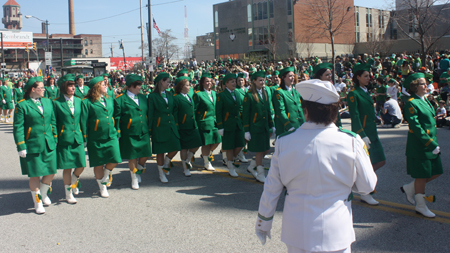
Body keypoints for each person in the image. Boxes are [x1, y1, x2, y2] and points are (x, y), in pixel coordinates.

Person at [255, 79, 377, 252]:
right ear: (335, 111)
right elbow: (368, 186)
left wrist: (264, 221)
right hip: (336, 230)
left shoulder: (285, 142)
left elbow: (272, 187)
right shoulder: (350, 141)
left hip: (297, 230)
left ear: (305, 111)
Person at [13, 77, 57, 214]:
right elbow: (18, 127)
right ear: (33, 89)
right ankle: (38, 202)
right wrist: (21, 146)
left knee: (51, 172)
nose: (44, 90)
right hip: (32, 144)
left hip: (48, 143)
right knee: (35, 175)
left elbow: (53, 121)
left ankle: (43, 194)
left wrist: (55, 137)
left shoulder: (48, 102)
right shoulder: (22, 105)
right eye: (41, 88)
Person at [400, 73, 442, 218]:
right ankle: (420, 205)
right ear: (415, 87)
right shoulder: (412, 102)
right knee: (421, 175)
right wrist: (430, 144)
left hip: (430, 144)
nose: (426, 86)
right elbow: (416, 127)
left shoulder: (425, 100)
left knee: (436, 171)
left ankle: (410, 188)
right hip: (420, 146)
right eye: (423, 84)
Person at [347, 63, 386, 205]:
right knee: (368, 164)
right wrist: (361, 134)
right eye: (365, 76)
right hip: (363, 134)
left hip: (372, 132)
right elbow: (355, 116)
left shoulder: (365, 91)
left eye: (369, 75)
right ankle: (366, 192)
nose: (369, 78)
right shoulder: (353, 93)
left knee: (380, 160)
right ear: (357, 77)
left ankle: (357, 182)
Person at [81, 76, 122, 198]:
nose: (106, 86)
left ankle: (107, 173)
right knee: (98, 163)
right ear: (96, 87)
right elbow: (83, 121)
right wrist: (84, 138)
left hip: (111, 135)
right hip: (95, 136)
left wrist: (117, 130)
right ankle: (102, 186)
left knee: (115, 159)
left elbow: (115, 114)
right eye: (103, 84)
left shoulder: (109, 99)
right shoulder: (87, 102)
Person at [114, 74, 151, 190]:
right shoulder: (120, 99)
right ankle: (134, 178)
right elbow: (117, 117)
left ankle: (139, 168)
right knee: (132, 157)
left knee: (145, 154)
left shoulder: (143, 98)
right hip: (129, 132)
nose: (141, 87)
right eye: (138, 85)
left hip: (143, 130)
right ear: (131, 86)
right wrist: (118, 133)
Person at [53, 74, 86, 203]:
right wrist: (55, 138)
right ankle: (68, 194)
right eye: (70, 85)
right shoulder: (56, 103)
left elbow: (82, 120)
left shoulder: (79, 101)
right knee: (68, 167)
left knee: (81, 165)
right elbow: (54, 122)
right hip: (64, 139)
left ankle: (74, 180)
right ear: (63, 87)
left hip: (77, 138)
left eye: (74, 85)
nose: (73, 87)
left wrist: (85, 136)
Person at [148, 72, 181, 183]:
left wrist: (176, 123)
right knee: (160, 151)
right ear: (161, 82)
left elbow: (174, 110)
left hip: (171, 125)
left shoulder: (170, 94)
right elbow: (151, 113)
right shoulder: (152, 96)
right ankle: (161, 173)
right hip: (159, 126)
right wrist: (150, 130)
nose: (169, 83)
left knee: (176, 146)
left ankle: (167, 161)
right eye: (167, 81)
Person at [243, 71, 274, 183]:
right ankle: (260, 173)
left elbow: (268, 111)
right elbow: (246, 115)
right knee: (260, 151)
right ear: (254, 81)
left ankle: (252, 166)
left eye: (263, 80)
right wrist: (246, 130)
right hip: (255, 127)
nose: (262, 82)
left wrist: (272, 125)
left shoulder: (265, 93)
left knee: (266, 149)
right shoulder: (249, 95)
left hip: (264, 127)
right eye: (260, 80)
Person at [216, 73, 245, 177]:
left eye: (235, 81)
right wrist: (220, 126)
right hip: (227, 123)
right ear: (226, 83)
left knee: (240, 144)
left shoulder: (237, 93)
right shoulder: (221, 95)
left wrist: (243, 120)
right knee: (229, 146)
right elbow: (218, 112)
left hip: (238, 123)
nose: (234, 83)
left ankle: (229, 160)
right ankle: (231, 166)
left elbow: (240, 107)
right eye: (232, 81)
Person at [173, 76, 202, 177]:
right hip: (183, 126)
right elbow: (175, 114)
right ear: (181, 86)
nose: (189, 87)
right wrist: (177, 126)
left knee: (197, 144)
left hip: (192, 125)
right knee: (184, 148)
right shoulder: (176, 98)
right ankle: (185, 168)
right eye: (187, 85)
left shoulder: (189, 96)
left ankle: (188, 160)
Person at [193, 72, 221, 171]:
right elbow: (194, 110)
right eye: (206, 81)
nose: (209, 83)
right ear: (202, 83)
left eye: (210, 81)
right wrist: (196, 123)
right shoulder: (199, 94)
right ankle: (206, 162)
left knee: (217, 140)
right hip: (204, 122)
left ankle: (206, 154)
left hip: (214, 122)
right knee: (207, 143)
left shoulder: (214, 93)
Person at [272, 67, 305, 137]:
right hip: (286, 128)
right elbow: (281, 111)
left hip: (298, 125)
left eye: (293, 76)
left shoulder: (295, 91)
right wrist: (288, 125)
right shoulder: (279, 92)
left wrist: (304, 123)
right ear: (283, 77)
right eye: (290, 76)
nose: (293, 78)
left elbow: (300, 108)